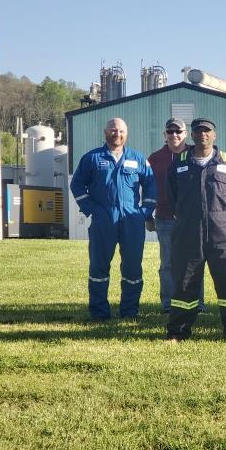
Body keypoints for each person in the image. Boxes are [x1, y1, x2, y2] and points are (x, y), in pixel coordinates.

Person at [165, 118, 226, 341]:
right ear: (191, 136)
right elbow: (173, 197)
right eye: (198, 131)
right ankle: (178, 331)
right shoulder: (179, 164)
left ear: (215, 135)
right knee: (185, 283)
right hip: (189, 233)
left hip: (224, 234)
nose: (203, 134)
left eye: (207, 131)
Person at [70, 118, 156, 320]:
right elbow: (77, 185)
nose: (117, 133)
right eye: (113, 130)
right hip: (103, 220)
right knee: (99, 266)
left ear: (127, 133)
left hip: (132, 220)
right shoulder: (92, 158)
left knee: (133, 267)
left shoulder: (138, 158)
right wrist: (91, 209)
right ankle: (99, 312)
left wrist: (144, 211)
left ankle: (129, 311)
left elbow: (151, 185)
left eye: (121, 130)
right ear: (105, 132)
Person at [146, 118, 204, 314]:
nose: (174, 135)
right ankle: (169, 303)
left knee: (195, 261)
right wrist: (148, 215)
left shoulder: (195, 154)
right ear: (165, 135)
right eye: (170, 132)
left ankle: (198, 302)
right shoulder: (155, 158)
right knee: (168, 264)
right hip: (165, 218)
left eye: (178, 131)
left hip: (192, 219)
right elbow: (147, 188)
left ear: (185, 133)